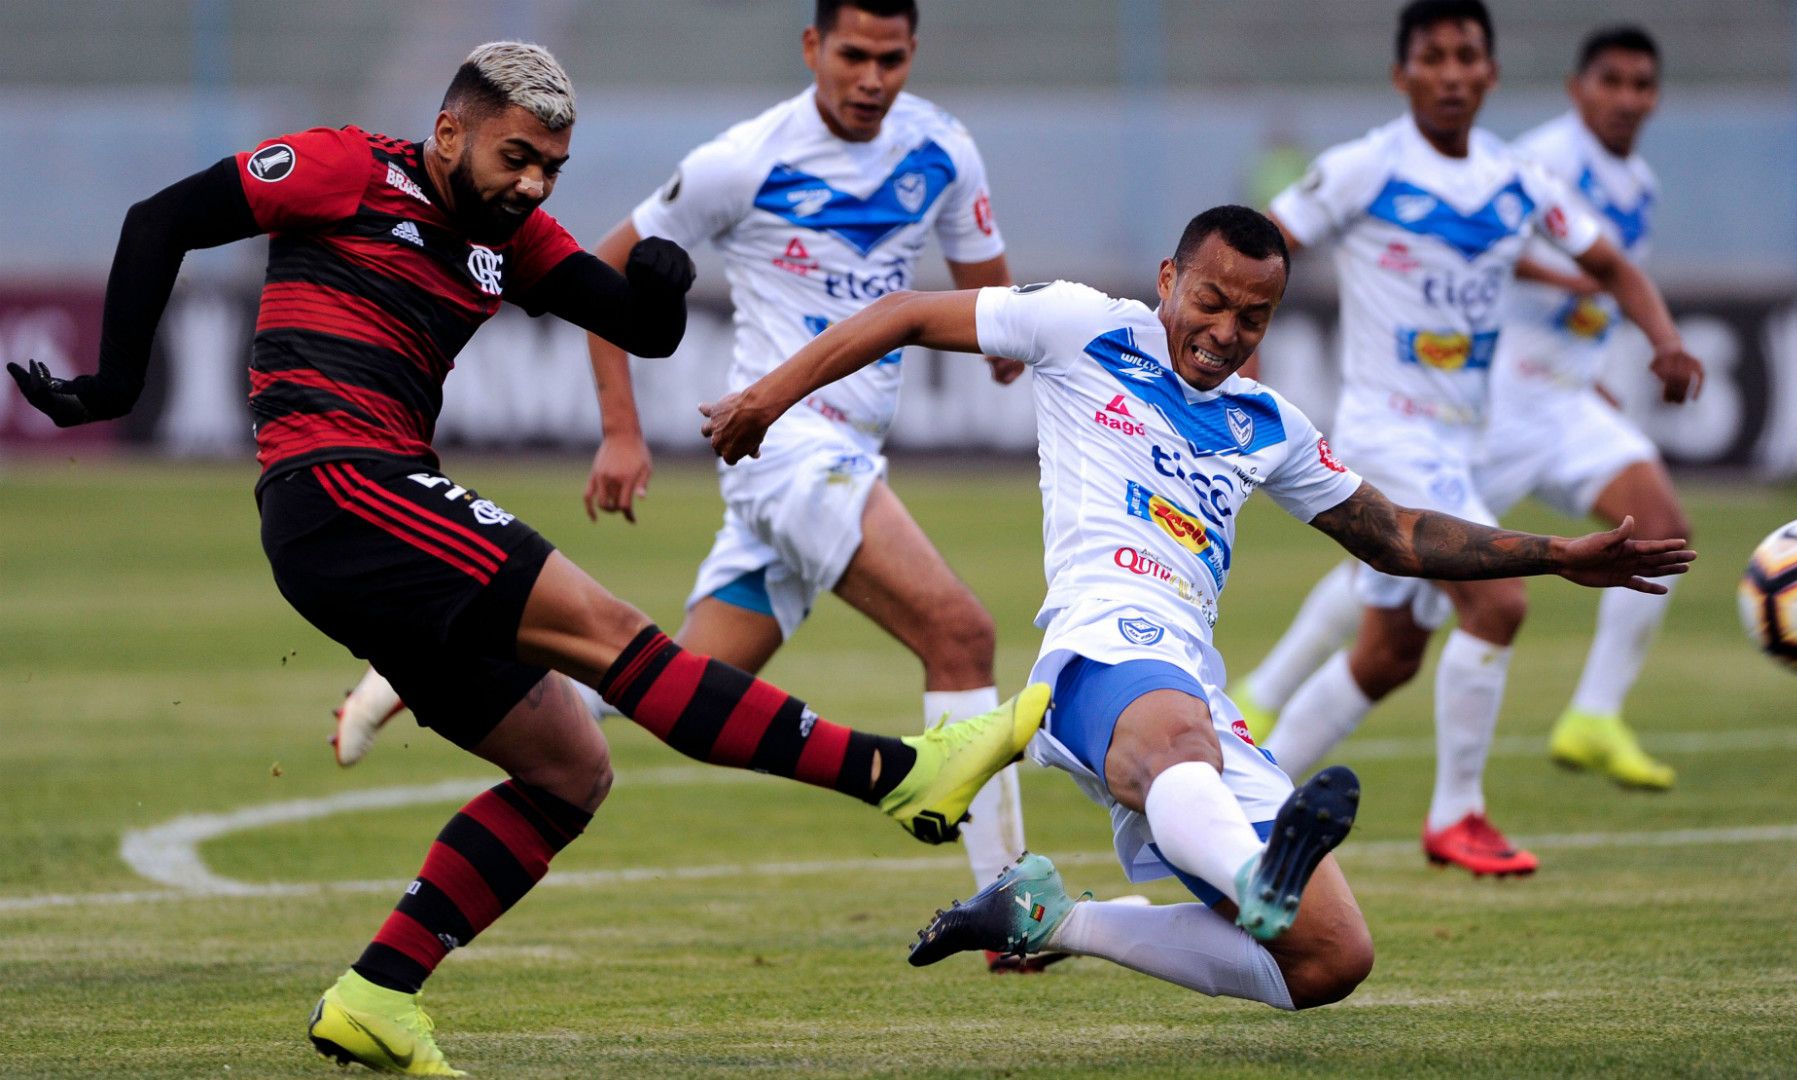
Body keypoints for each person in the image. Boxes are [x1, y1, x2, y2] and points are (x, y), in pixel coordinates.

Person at [6, 41, 1042, 1076]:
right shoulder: (344, 168)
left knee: (569, 769)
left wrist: (667, 286)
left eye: (552, 165)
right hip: (343, 485)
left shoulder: (519, 238)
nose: (534, 184)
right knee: (615, 638)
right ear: (449, 133)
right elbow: (164, 221)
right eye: (516, 157)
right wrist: (115, 386)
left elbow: (635, 322)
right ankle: (898, 774)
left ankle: (376, 995)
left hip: (369, 515)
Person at [700, 205, 1694, 1010]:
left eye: (1253, 319)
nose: (1223, 333)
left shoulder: (1270, 425)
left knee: (1332, 960)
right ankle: (1256, 882)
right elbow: (908, 314)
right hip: (1100, 651)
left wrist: (1561, 554)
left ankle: (1054, 919)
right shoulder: (1083, 326)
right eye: (1210, 301)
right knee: (1181, 747)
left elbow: (1396, 536)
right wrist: (766, 397)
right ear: (1169, 280)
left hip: (1195, 692)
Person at [327, 0, 1038, 952]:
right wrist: (621, 432)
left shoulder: (943, 149)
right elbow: (600, 271)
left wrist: (1011, 346)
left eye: (893, 59)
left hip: (850, 453)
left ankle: (430, 672)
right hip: (782, 447)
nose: (873, 78)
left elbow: (986, 291)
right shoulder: (741, 161)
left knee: (677, 686)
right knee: (961, 631)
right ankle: (1010, 913)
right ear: (812, 49)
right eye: (854, 55)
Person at [1228, 0, 1705, 877]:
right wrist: (1243, 345)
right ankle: (1457, 816)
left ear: (1490, 73)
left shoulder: (1516, 179)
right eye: (1434, 58)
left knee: (1387, 657)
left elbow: (1612, 265)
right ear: (1402, 73)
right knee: (1500, 601)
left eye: (1467, 58)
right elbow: (1261, 241)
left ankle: (1247, 805)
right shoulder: (1367, 167)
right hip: (1385, 432)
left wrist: (1663, 340)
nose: (1452, 74)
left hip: (1460, 437)